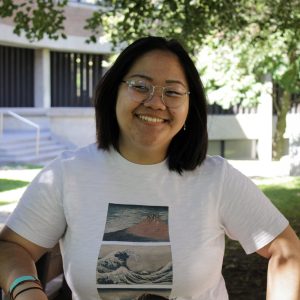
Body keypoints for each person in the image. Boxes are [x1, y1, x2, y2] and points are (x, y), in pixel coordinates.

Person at [0, 36, 299, 300]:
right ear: (113, 93)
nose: (156, 102)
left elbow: (287, 250)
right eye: (140, 86)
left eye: (172, 92)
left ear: (188, 106)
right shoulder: (68, 175)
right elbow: (11, 248)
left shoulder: (216, 179)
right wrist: (27, 289)